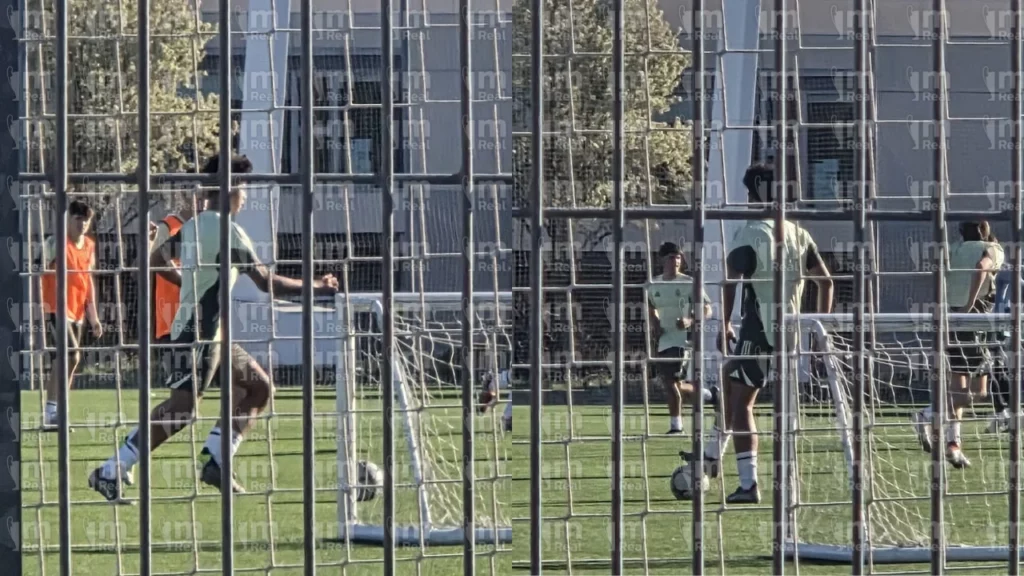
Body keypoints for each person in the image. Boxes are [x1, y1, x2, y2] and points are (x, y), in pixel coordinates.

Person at [88, 153, 340, 502]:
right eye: (245, 189)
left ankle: (215, 461)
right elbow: (267, 283)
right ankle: (111, 469)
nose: (247, 197)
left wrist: (188, 281)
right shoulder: (227, 230)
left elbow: (153, 258)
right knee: (182, 410)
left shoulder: (193, 226)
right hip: (197, 334)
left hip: (214, 334)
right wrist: (318, 287)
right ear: (230, 189)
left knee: (258, 387)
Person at [716, 163, 833, 504]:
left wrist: (723, 322)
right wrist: (816, 324)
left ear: (751, 195)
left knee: (741, 406)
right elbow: (825, 281)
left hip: (759, 329)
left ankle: (749, 483)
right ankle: (712, 454)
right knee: (735, 385)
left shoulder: (751, 232)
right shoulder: (798, 233)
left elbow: (729, 281)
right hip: (791, 330)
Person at [914, 221, 1003, 468]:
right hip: (973, 320)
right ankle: (927, 413)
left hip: (951, 319)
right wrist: (969, 304)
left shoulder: (954, 249)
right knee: (980, 393)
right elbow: (981, 268)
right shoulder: (993, 248)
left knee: (958, 391)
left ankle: (953, 446)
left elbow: (938, 272)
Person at [40, 199, 104, 431]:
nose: (83, 224)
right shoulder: (56, 242)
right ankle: (51, 412)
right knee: (72, 356)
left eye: (87, 219)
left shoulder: (89, 245)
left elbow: (88, 281)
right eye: (78, 219)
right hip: (56, 307)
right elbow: (39, 269)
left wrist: (94, 316)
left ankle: (56, 411)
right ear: (67, 219)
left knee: (68, 362)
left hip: (77, 311)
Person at [646, 241, 714, 435]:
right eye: (671, 257)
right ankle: (709, 395)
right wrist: (655, 323)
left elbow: (708, 309)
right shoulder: (653, 284)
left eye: (678, 257)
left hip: (683, 340)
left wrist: (690, 320)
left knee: (670, 382)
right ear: (661, 260)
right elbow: (650, 306)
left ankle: (676, 426)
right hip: (664, 340)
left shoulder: (689, 283)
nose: (675, 261)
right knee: (672, 384)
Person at [989, 256, 1022, 433]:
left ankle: (1005, 411)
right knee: (996, 368)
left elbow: (1018, 284)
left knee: (997, 367)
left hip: (998, 323)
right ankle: (1003, 411)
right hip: (996, 321)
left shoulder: (1003, 269)